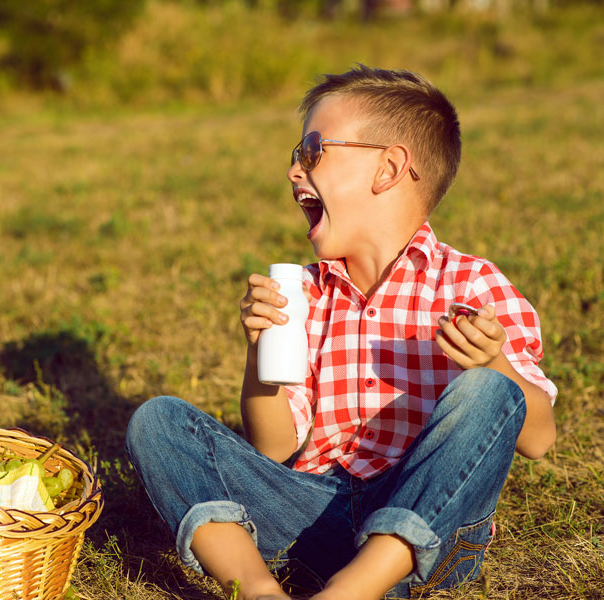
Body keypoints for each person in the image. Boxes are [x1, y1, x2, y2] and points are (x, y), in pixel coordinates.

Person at [125, 65, 557, 600]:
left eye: (311, 150)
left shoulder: (473, 285)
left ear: (389, 168)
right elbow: (275, 446)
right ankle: (260, 589)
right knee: (158, 421)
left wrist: (493, 363)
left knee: (490, 390)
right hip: (309, 515)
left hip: (425, 534)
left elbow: (538, 438)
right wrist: (261, 355)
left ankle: (353, 590)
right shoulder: (306, 295)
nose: (292, 171)